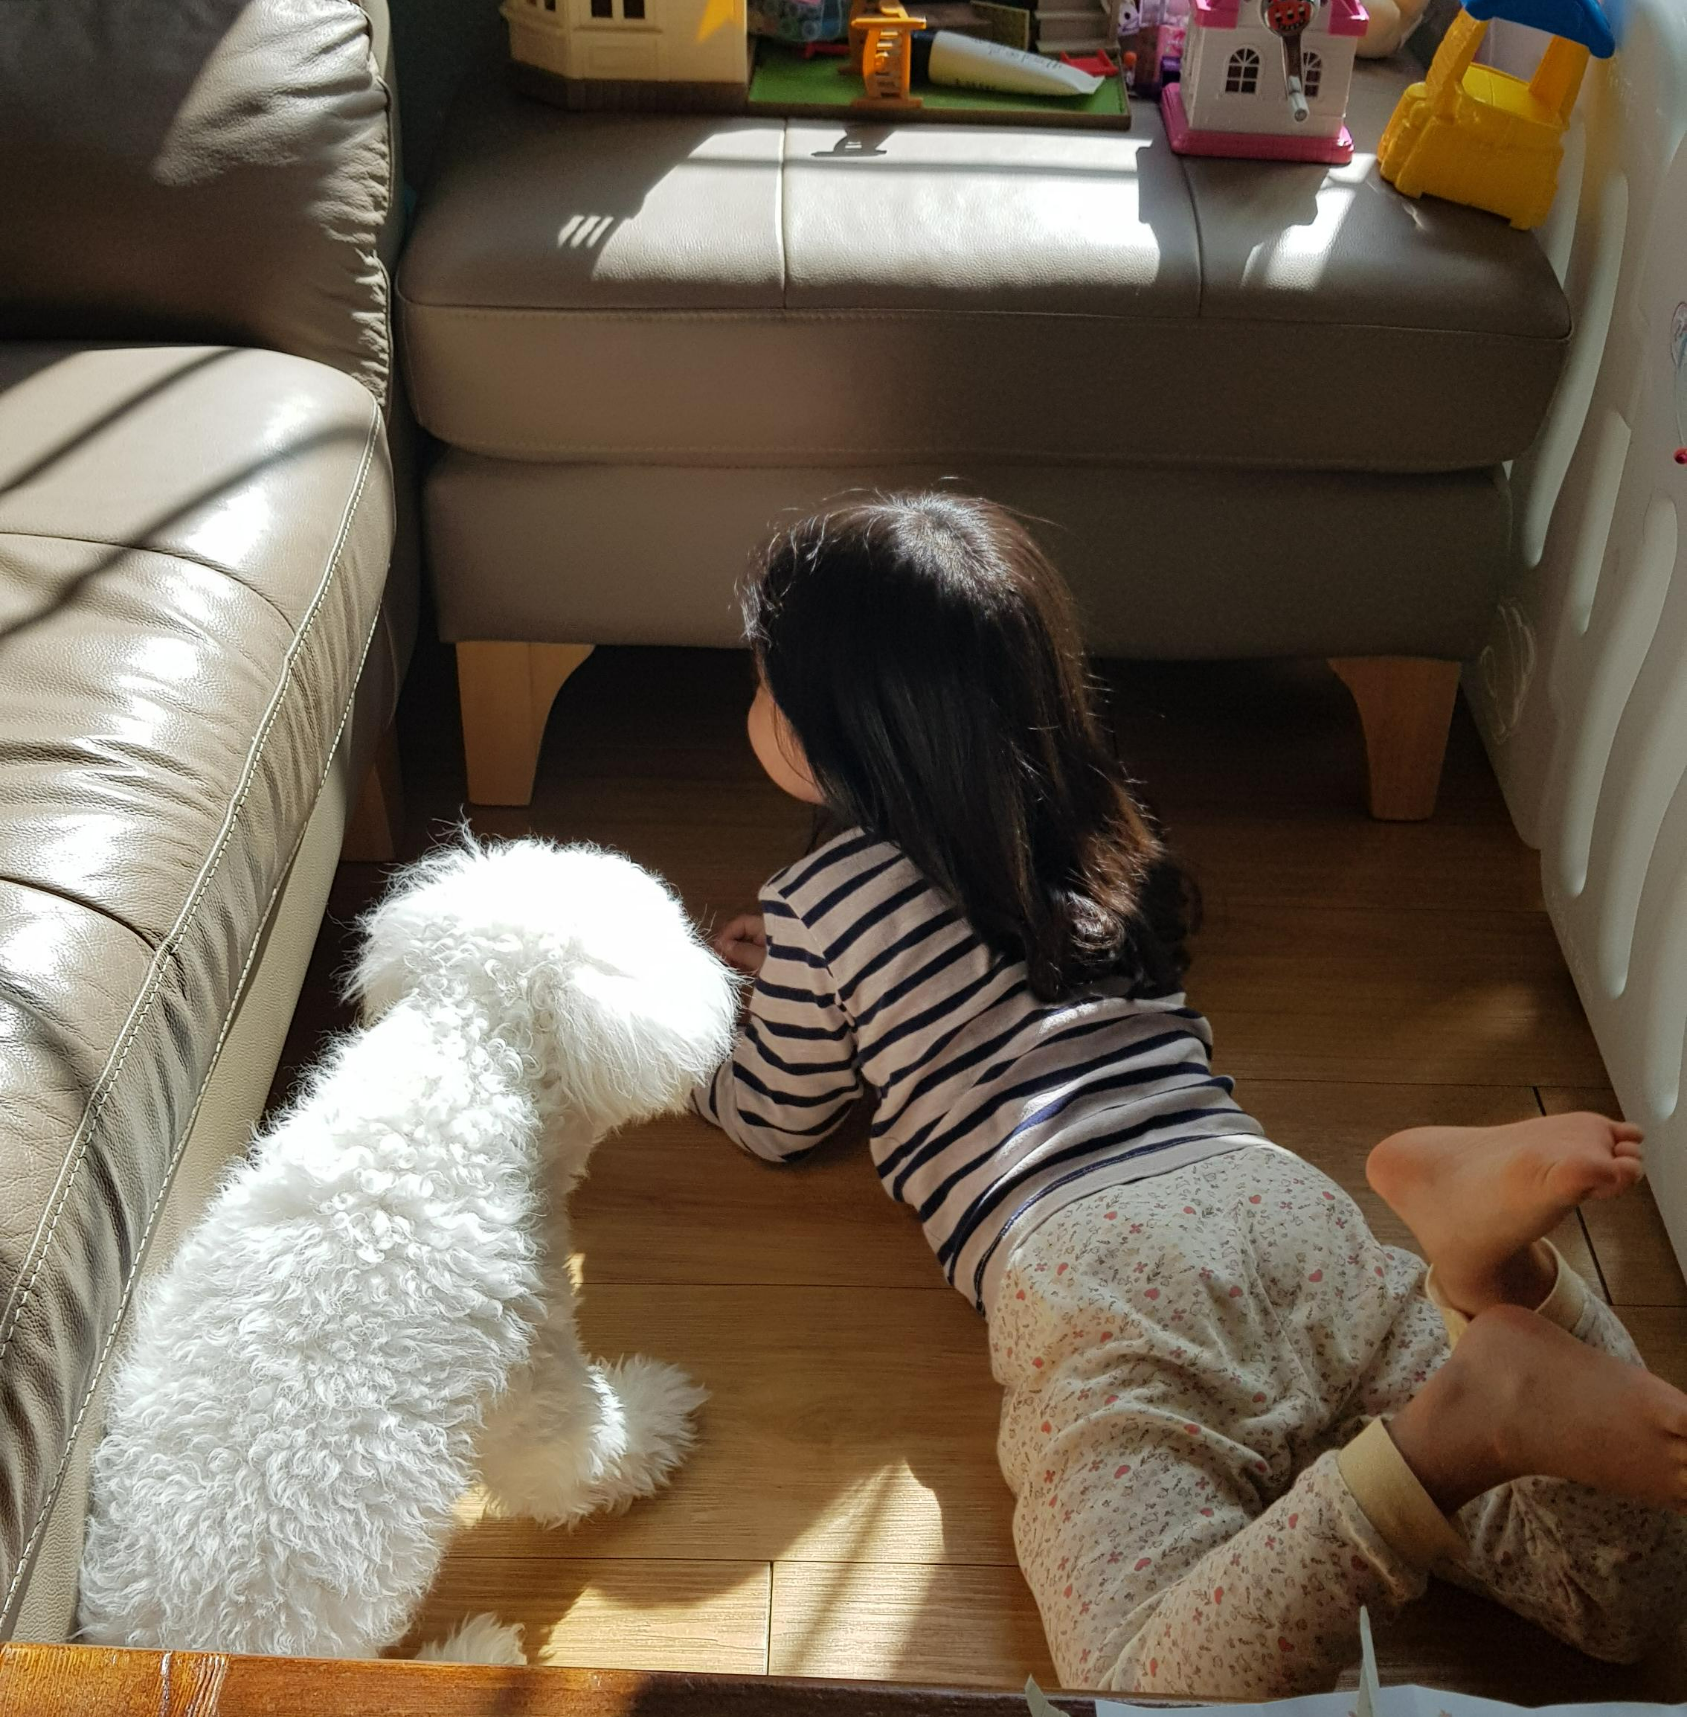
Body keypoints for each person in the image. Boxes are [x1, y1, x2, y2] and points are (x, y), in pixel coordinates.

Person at [697, 492, 1687, 1697]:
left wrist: (709, 1006)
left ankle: (1439, 1446)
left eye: (767, 686)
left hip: (1090, 1264)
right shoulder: (1096, 826)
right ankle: (1505, 1282)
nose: (756, 704)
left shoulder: (817, 902)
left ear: (840, 732)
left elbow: (772, 1112)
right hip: (1273, 1199)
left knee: (1134, 1682)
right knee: (1615, 1602)